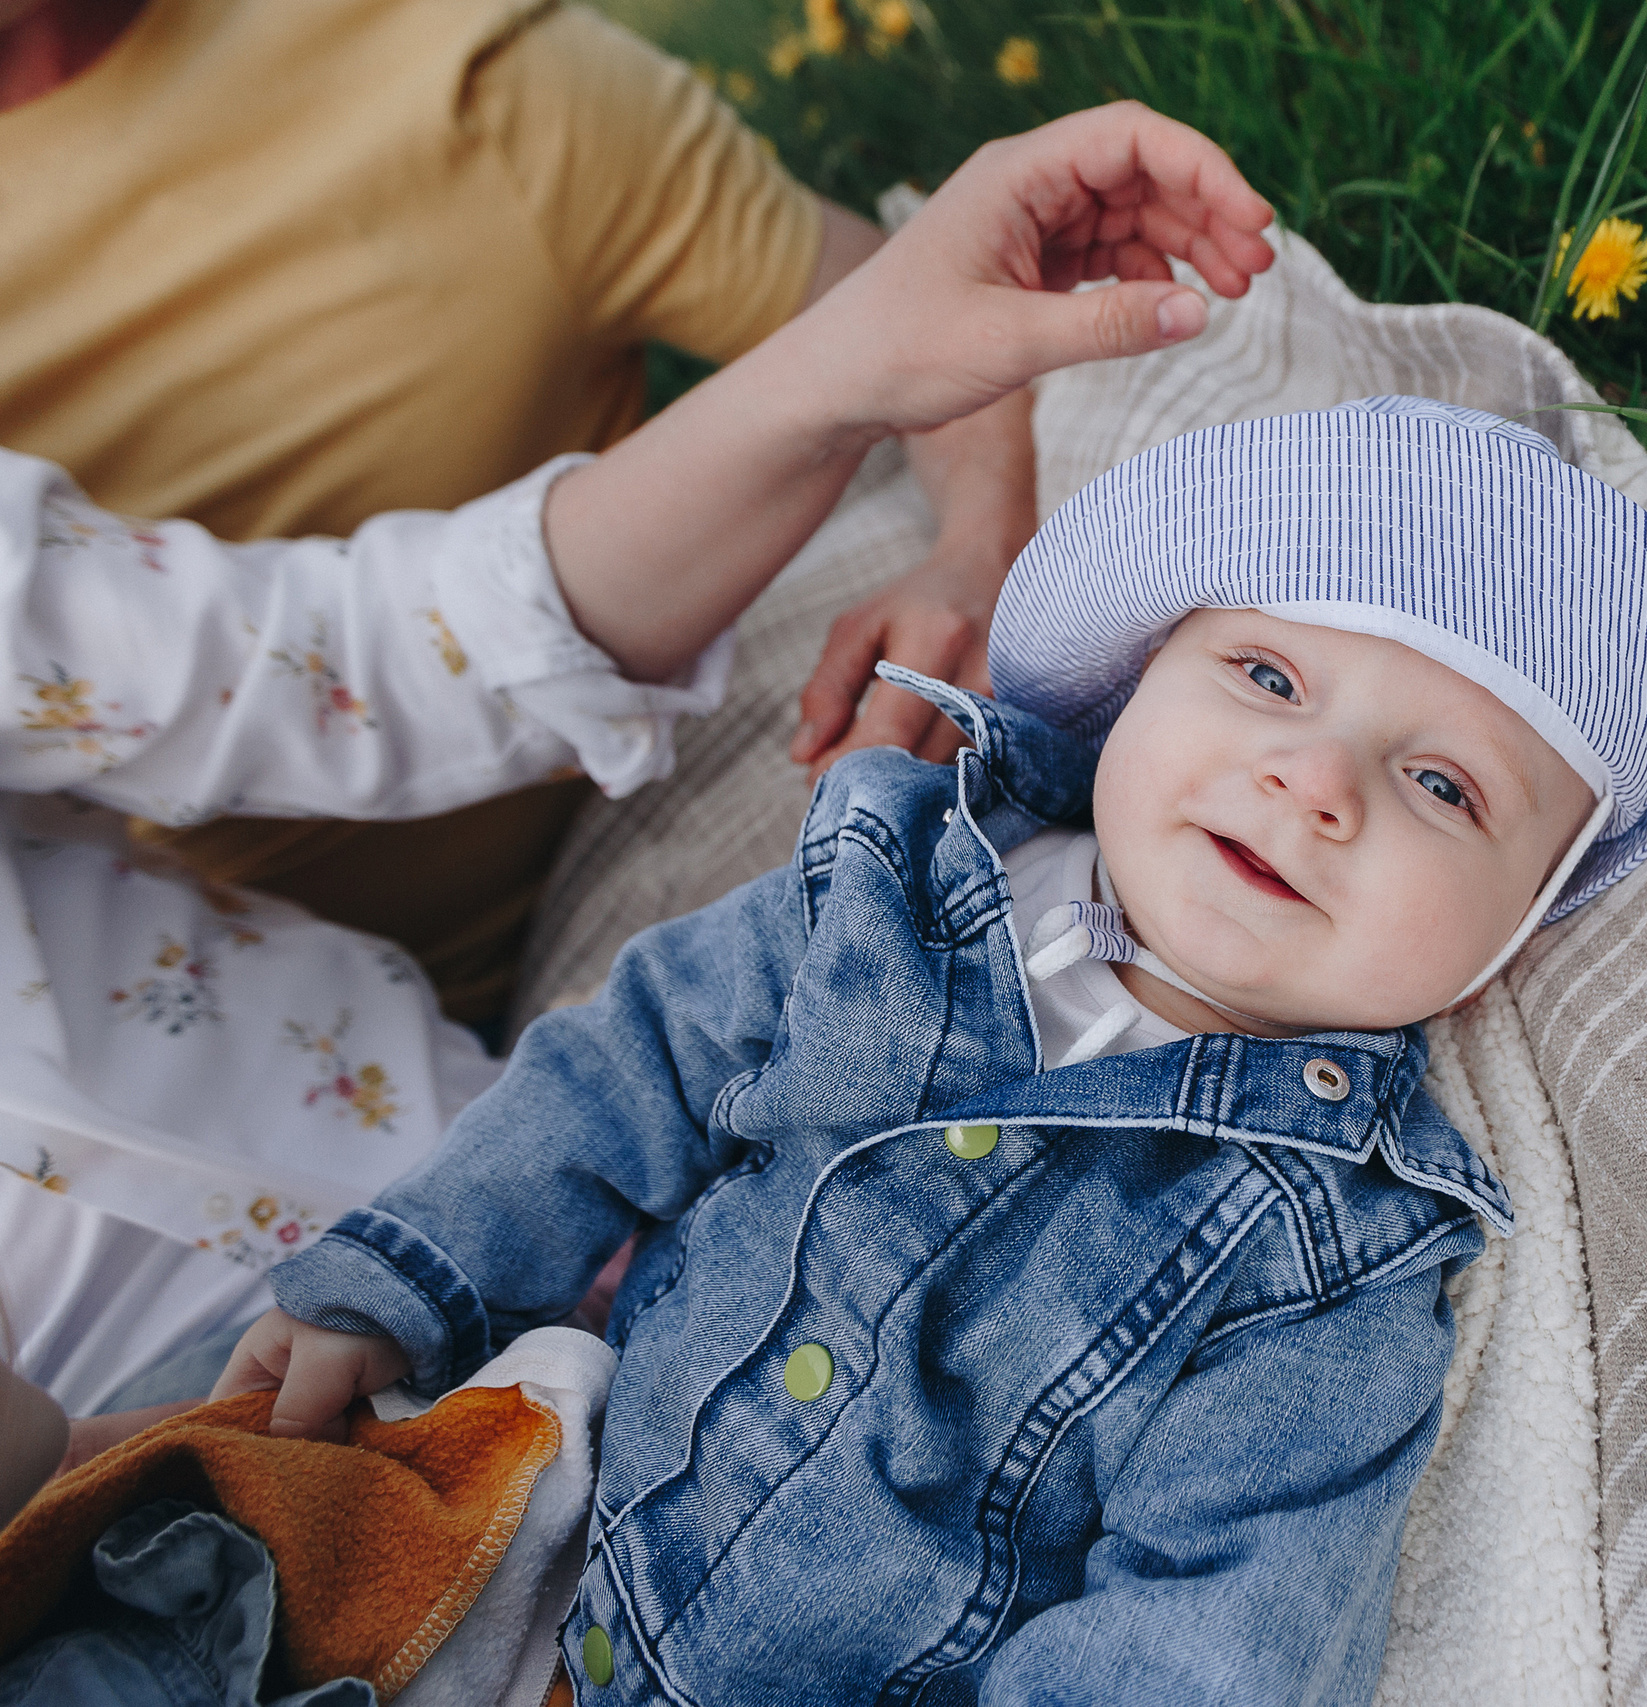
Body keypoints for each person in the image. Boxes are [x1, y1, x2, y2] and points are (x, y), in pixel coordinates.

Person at [218, 397, 1647, 1697]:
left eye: (1443, 785)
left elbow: (1211, 1630)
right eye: (1271, 677)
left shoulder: (1330, 1263)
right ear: (1140, 675)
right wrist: (409, 1268)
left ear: (1523, 931)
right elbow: (632, 1061)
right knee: (168, 1562)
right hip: (506, 1508)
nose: (1313, 781)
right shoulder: (892, 886)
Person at [0, 100, 1276, 1480]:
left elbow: (374, 653)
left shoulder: (483, 85)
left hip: (525, 1160)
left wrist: (850, 364)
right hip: (184, 1533)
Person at [0, 0, 1039, 1026]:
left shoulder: (459, 68)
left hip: (656, 846)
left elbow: (907, 318)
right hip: (220, 1048)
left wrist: (976, 551)